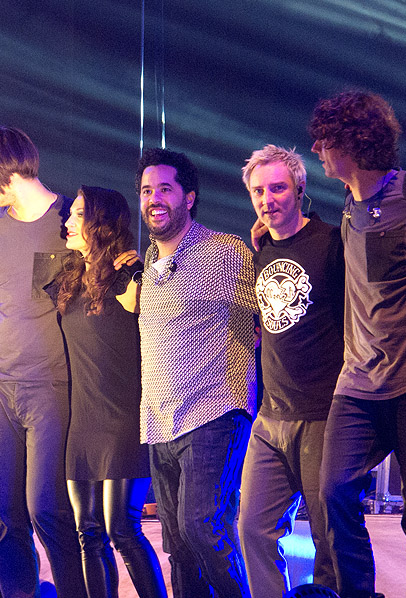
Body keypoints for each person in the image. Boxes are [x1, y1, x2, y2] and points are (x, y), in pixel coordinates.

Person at [308, 90, 406, 598]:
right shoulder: (349, 204)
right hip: (358, 382)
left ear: (353, 143)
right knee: (333, 492)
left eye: (325, 140)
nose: (317, 150)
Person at [0, 127, 84, 598]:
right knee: (3, 514)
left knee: (47, 509)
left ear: (3, 171)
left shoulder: (69, 217)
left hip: (51, 384)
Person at [137, 148, 257, 598]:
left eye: (164, 189)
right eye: (146, 190)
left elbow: (265, 318)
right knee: (179, 547)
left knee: (203, 526)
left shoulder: (225, 251)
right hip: (160, 421)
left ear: (189, 197)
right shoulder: (149, 260)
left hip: (214, 412)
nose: (154, 199)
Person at [47, 186, 167, 598]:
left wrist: (142, 267)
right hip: (82, 422)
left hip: (123, 419)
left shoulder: (128, 277)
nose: (67, 221)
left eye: (78, 214)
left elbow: (161, 307)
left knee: (123, 530)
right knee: (88, 532)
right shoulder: (65, 280)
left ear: (101, 224)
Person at [238, 145, 345, 597]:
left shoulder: (332, 243)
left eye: (278, 188)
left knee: (330, 536)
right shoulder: (260, 249)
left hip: (323, 413)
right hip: (271, 416)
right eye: (258, 191)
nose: (267, 200)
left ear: (300, 189)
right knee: (253, 529)